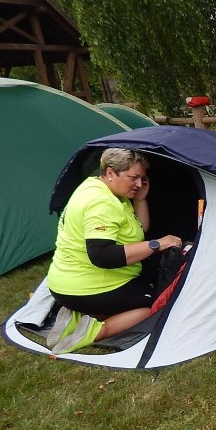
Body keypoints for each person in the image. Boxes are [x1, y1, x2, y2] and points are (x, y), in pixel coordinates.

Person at [46, 148, 183, 354]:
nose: (138, 184)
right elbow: (103, 256)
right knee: (152, 305)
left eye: (142, 178)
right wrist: (156, 244)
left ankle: (75, 317)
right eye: (134, 178)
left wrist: (140, 200)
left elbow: (140, 229)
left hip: (64, 284)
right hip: (86, 287)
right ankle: (94, 331)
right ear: (110, 172)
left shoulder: (98, 188)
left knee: (144, 284)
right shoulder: (101, 202)